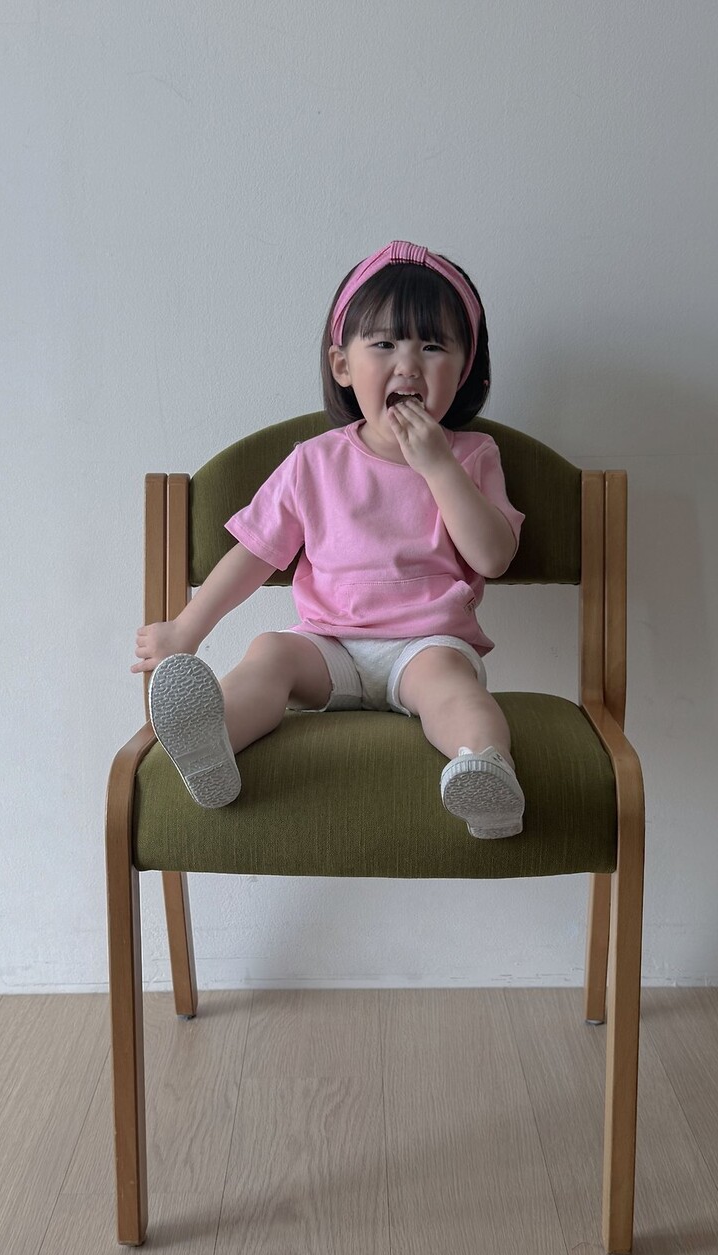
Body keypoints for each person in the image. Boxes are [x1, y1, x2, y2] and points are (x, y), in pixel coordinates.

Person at [131, 240, 526, 838]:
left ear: (465, 368)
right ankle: (213, 745)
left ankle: (487, 775)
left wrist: (438, 467)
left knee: (455, 692)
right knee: (269, 652)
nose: (408, 365)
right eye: (385, 344)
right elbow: (254, 555)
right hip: (329, 645)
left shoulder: (472, 456)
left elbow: (492, 558)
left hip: (427, 645)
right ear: (343, 366)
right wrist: (185, 631)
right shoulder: (314, 462)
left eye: (433, 346)